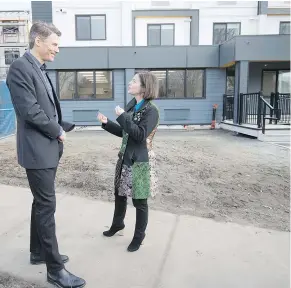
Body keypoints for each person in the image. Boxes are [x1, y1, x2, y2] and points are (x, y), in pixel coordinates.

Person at [6, 21, 86, 288]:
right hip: (37, 150)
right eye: (54, 44)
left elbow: (44, 107)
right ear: (38, 41)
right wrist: (57, 131)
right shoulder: (20, 68)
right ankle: (55, 270)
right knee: (46, 206)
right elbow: (29, 110)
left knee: (40, 203)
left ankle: (38, 252)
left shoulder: (38, 68)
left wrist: (61, 125)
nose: (57, 49)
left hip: (45, 147)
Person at [97, 71, 159, 252]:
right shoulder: (132, 106)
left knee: (140, 201)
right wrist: (107, 123)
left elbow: (140, 135)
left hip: (140, 162)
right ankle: (118, 224)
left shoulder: (151, 110)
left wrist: (123, 116)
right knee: (119, 194)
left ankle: (139, 236)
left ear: (144, 87)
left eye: (134, 81)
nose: (129, 83)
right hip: (124, 158)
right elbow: (126, 132)